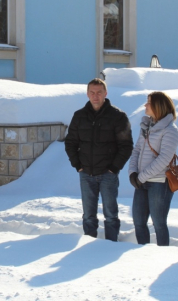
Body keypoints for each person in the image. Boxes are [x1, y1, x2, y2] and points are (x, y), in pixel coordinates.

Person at [65, 78, 133, 241]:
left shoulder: (118, 116)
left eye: (99, 92)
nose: (95, 96)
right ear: (87, 94)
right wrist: (78, 165)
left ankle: (111, 244)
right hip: (85, 173)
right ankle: (90, 242)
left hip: (108, 174)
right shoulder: (79, 116)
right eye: (92, 92)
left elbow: (126, 145)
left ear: (106, 93)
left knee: (110, 214)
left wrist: (114, 168)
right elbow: (71, 142)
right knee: (88, 215)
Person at [128, 92, 178, 246]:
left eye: (149, 102)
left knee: (159, 223)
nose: (145, 105)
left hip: (160, 183)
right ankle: (144, 252)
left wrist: (140, 177)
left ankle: (162, 254)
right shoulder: (146, 127)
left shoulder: (170, 130)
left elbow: (164, 158)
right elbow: (137, 150)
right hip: (141, 182)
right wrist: (132, 173)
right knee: (138, 222)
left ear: (159, 106)